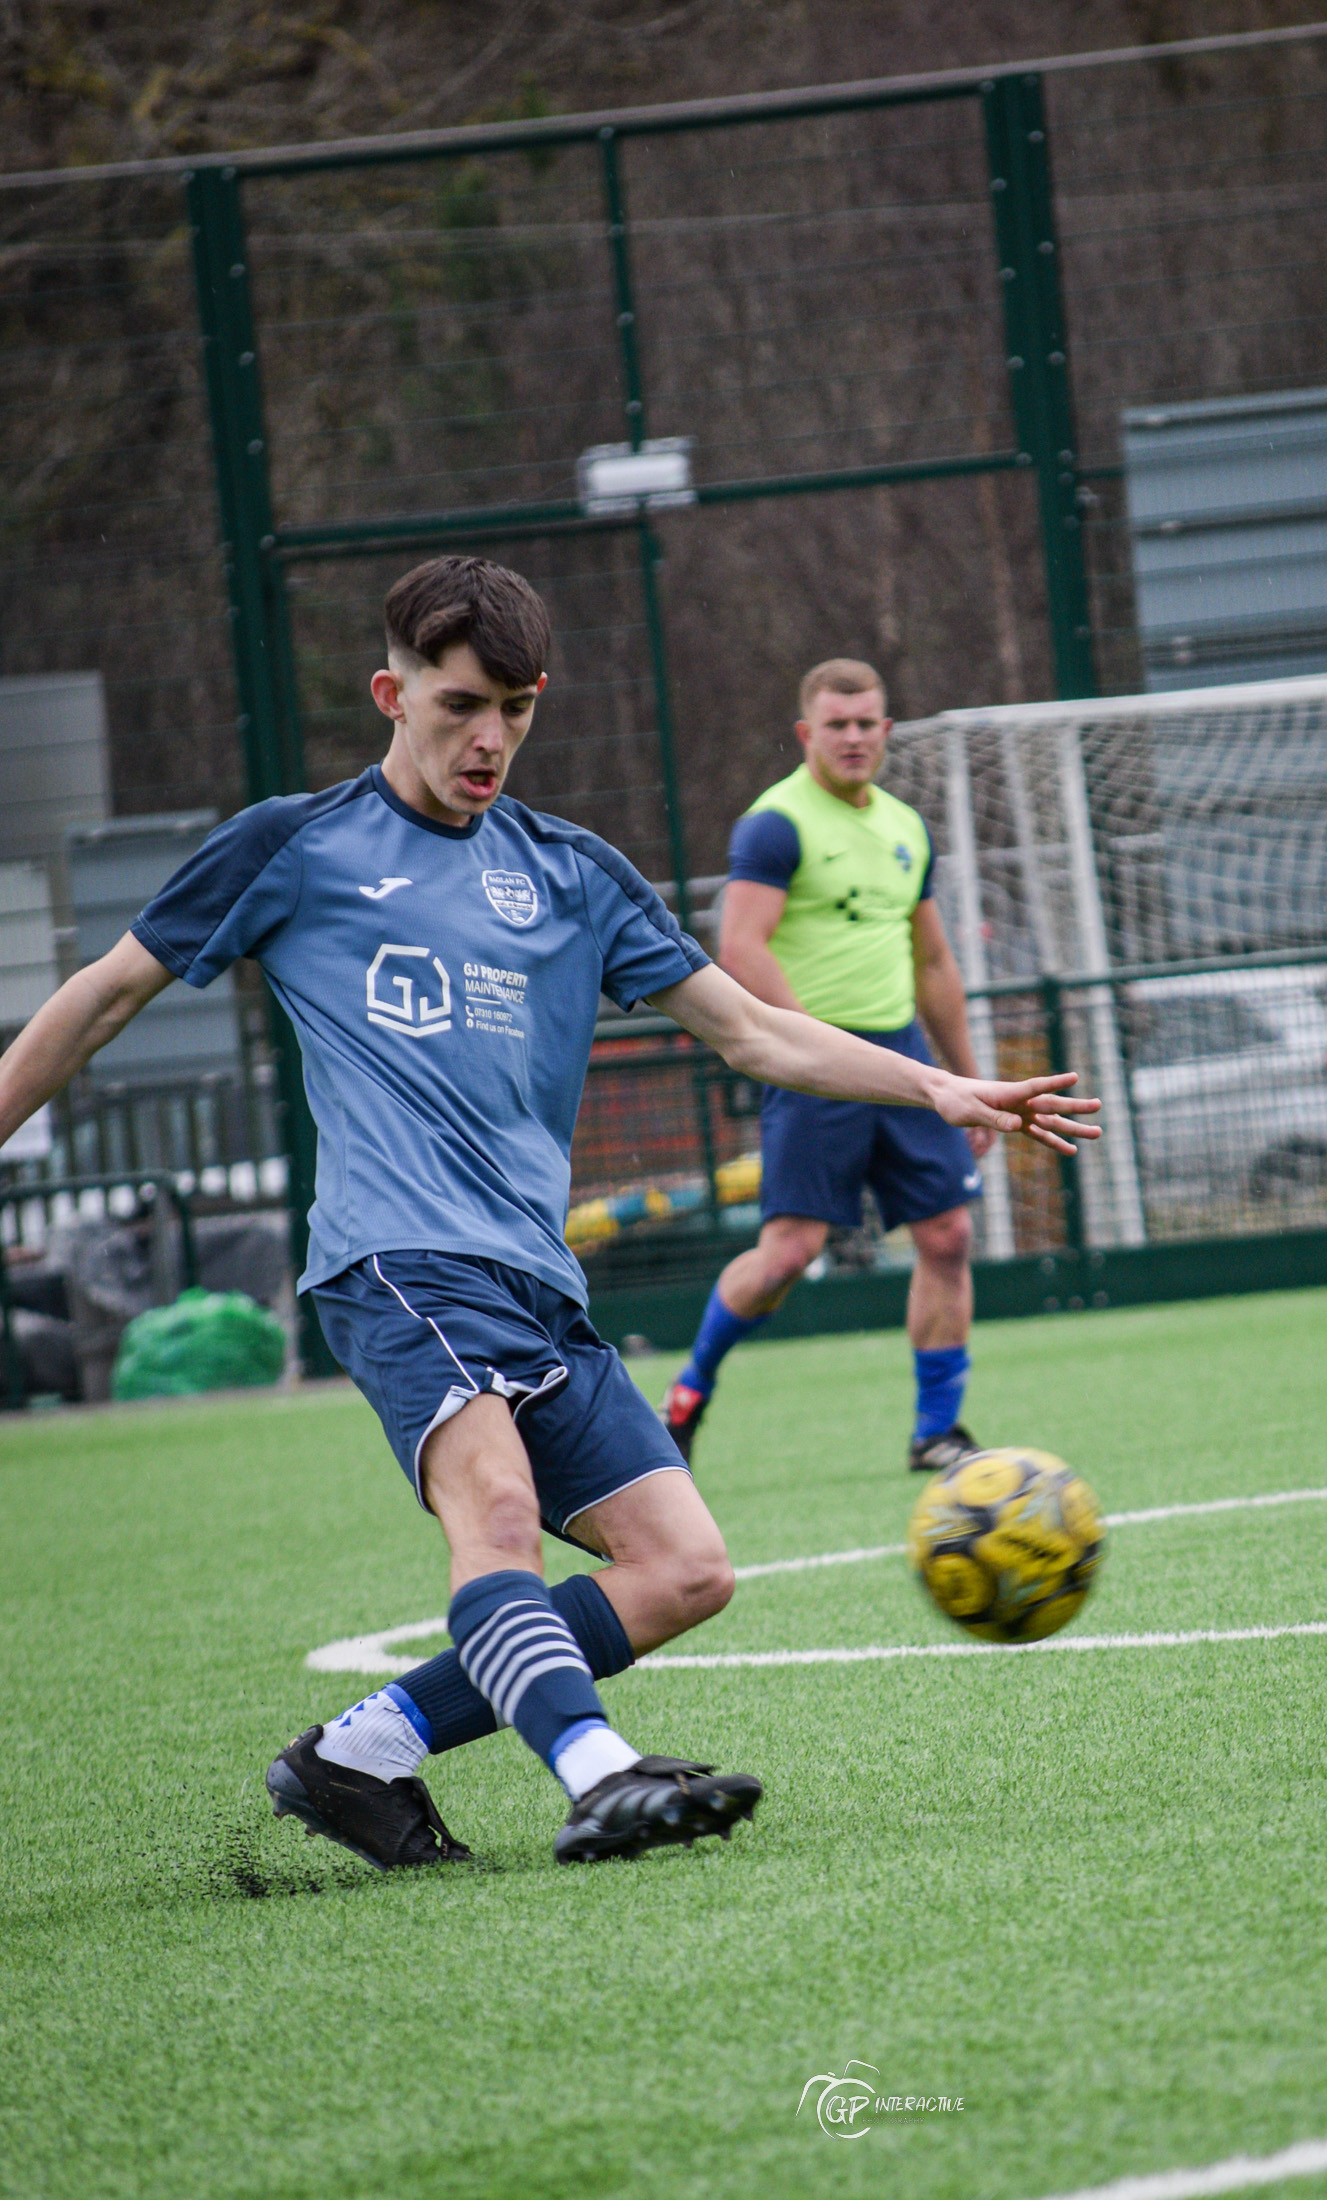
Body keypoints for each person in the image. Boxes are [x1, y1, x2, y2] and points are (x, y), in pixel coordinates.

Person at [0, 560, 1099, 1873]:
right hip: (395, 1264)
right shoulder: (296, 846)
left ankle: (360, 1755)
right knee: (499, 1516)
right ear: (390, 693)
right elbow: (101, 998)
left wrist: (939, 1082)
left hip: (535, 1280)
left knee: (686, 1569)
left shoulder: (574, 873)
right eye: (461, 704)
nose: (490, 739)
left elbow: (753, 1030)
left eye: (516, 710)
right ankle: (596, 1770)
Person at [663, 659, 994, 1476]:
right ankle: (688, 1391)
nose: (853, 738)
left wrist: (968, 1077)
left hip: (906, 1059)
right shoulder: (775, 826)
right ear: (808, 733)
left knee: (949, 1235)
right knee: (785, 1257)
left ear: (886, 730)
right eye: (836, 725)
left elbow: (935, 962)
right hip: (814, 1068)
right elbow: (740, 948)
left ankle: (937, 1431)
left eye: (867, 723)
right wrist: (816, 1050)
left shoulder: (907, 828)